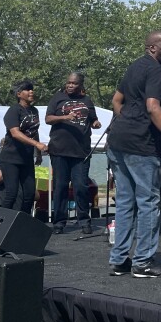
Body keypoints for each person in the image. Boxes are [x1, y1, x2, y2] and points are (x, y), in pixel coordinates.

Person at [107, 31, 161, 279]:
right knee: (149, 202)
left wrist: (126, 121)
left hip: (118, 140)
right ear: (152, 48)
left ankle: (119, 261)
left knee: (126, 201)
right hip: (140, 144)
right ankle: (143, 263)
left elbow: (117, 100)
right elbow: (152, 106)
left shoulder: (134, 66)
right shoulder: (155, 70)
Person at [45, 72, 101, 235]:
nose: (70, 85)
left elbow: (92, 119)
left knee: (81, 187)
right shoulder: (58, 98)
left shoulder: (87, 101)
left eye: (74, 83)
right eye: (68, 82)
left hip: (81, 151)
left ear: (80, 85)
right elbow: (48, 119)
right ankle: (59, 222)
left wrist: (95, 123)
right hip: (60, 150)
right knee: (60, 187)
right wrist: (65, 117)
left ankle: (84, 220)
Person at [0, 80, 49, 214]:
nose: (31, 92)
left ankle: (22, 223)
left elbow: (34, 132)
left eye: (32, 89)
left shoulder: (34, 111)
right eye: (27, 90)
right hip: (11, 157)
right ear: (19, 94)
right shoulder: (13, 110)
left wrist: (38, 153)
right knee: (12, 193)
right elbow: (15, 133)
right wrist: (37, 144)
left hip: (26, 158)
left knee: (29, 194)